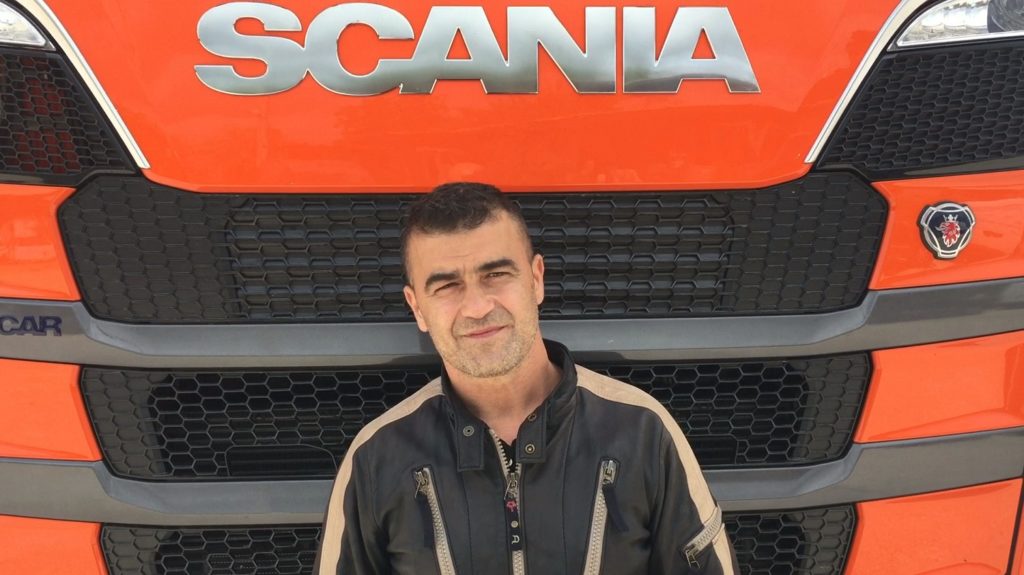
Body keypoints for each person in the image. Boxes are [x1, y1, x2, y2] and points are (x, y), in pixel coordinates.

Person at [314, 182, 738, 574]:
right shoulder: (375, 458)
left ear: (536, 279)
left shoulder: (643, 430)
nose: (477, 307)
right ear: (417, 308)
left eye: (496, 275)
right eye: (446, 286)